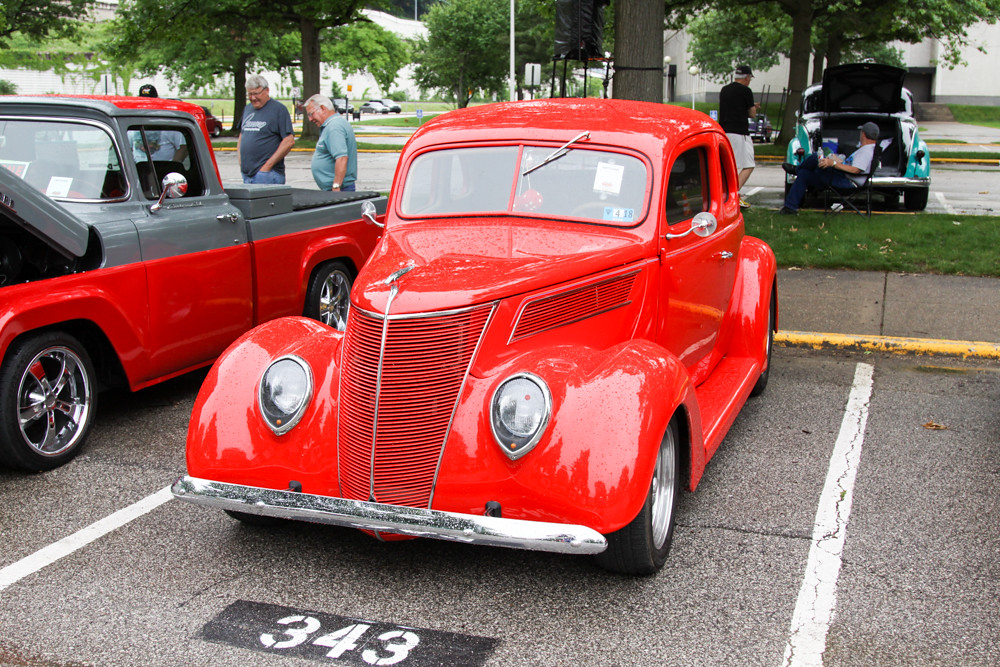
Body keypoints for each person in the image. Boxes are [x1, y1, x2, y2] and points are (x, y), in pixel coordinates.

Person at [779, 122, 879, 215]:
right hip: (844, 178)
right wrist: (835, 159)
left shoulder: (865, 152)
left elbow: (855, 170)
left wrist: (833, 163)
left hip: (846, 182)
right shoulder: (869, 149)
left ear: (863, 134)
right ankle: (790, 208)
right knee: (804, 174)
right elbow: (850, 165)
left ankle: (796, 170)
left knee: (815, 157)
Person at [237, 74, 294, 184]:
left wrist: (266, 167)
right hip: (247, 174)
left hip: (267, 175)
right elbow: (242, 134)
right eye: (250, 94)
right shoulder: (248, 109)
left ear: (266, 91)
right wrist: (241, 160)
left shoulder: (278, 109)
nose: (253, 98)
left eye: (256, 93)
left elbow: (289, 141)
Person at [718, 65, 758, 209]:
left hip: (724, 131)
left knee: (728, 166)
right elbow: (752, 113)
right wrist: (753, 106)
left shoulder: (725, 90)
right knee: (748, 164)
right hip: (740, 132)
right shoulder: (746, 91)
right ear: (747, 77)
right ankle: (733, 195)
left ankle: (726, 194)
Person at [305, 93, 358, 192]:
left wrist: (336, 186)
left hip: (340, 190)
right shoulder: (334, 124)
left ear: (323, 108)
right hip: (337, 189)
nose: (310, 119)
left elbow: (341, 158)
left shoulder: (334, 127)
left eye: (311, 114)